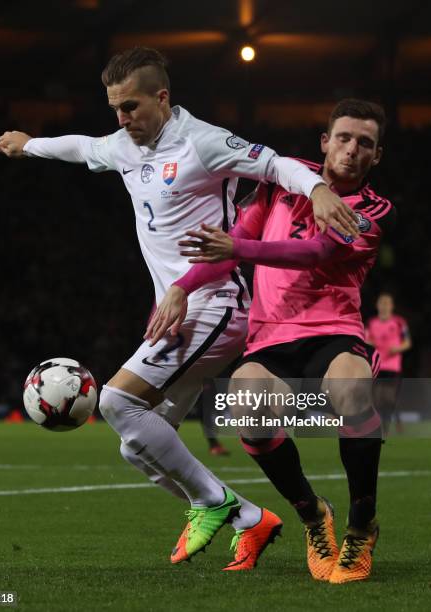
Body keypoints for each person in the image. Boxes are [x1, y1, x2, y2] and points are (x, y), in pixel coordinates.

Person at [0, 47, 358, 570]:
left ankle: (217, 502)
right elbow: (82, 147)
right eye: (116, 108)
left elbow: (274, 165)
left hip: (217, 303)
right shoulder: (123, 144)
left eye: (132, 107)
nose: (122, 120)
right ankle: (251, 520)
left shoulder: (202, 142)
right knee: (136, 444)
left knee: (117, 403)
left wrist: (319, 188)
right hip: (178, 313)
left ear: (162, 98)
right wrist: (30, 146)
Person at [148, 98, 394, 582]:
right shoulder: (283, 181)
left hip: (333, 331)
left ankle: (362, 526)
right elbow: (229, 247)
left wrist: (239, 248)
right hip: (269, 337)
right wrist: (181, 287)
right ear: (325, 142)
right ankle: (310, 514)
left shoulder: (372, 209)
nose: (351, 149)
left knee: (350, 390)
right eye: (343, 137)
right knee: (247, 406)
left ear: (376, 156)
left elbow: (315, 252)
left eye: (364, 143)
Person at [366, 293, 412, 435]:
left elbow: (407, 342)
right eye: (382, 303)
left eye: (387, 303)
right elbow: (365, 339)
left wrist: (397, 348)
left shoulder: (399, 322)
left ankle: (394, 424)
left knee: (389, 399)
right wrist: (370, 343)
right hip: (377, 366)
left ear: (392, 306)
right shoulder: (371, 323)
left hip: (393, 367)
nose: (384, 306)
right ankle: (383, 429)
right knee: (378, 399)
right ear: (377, 305)